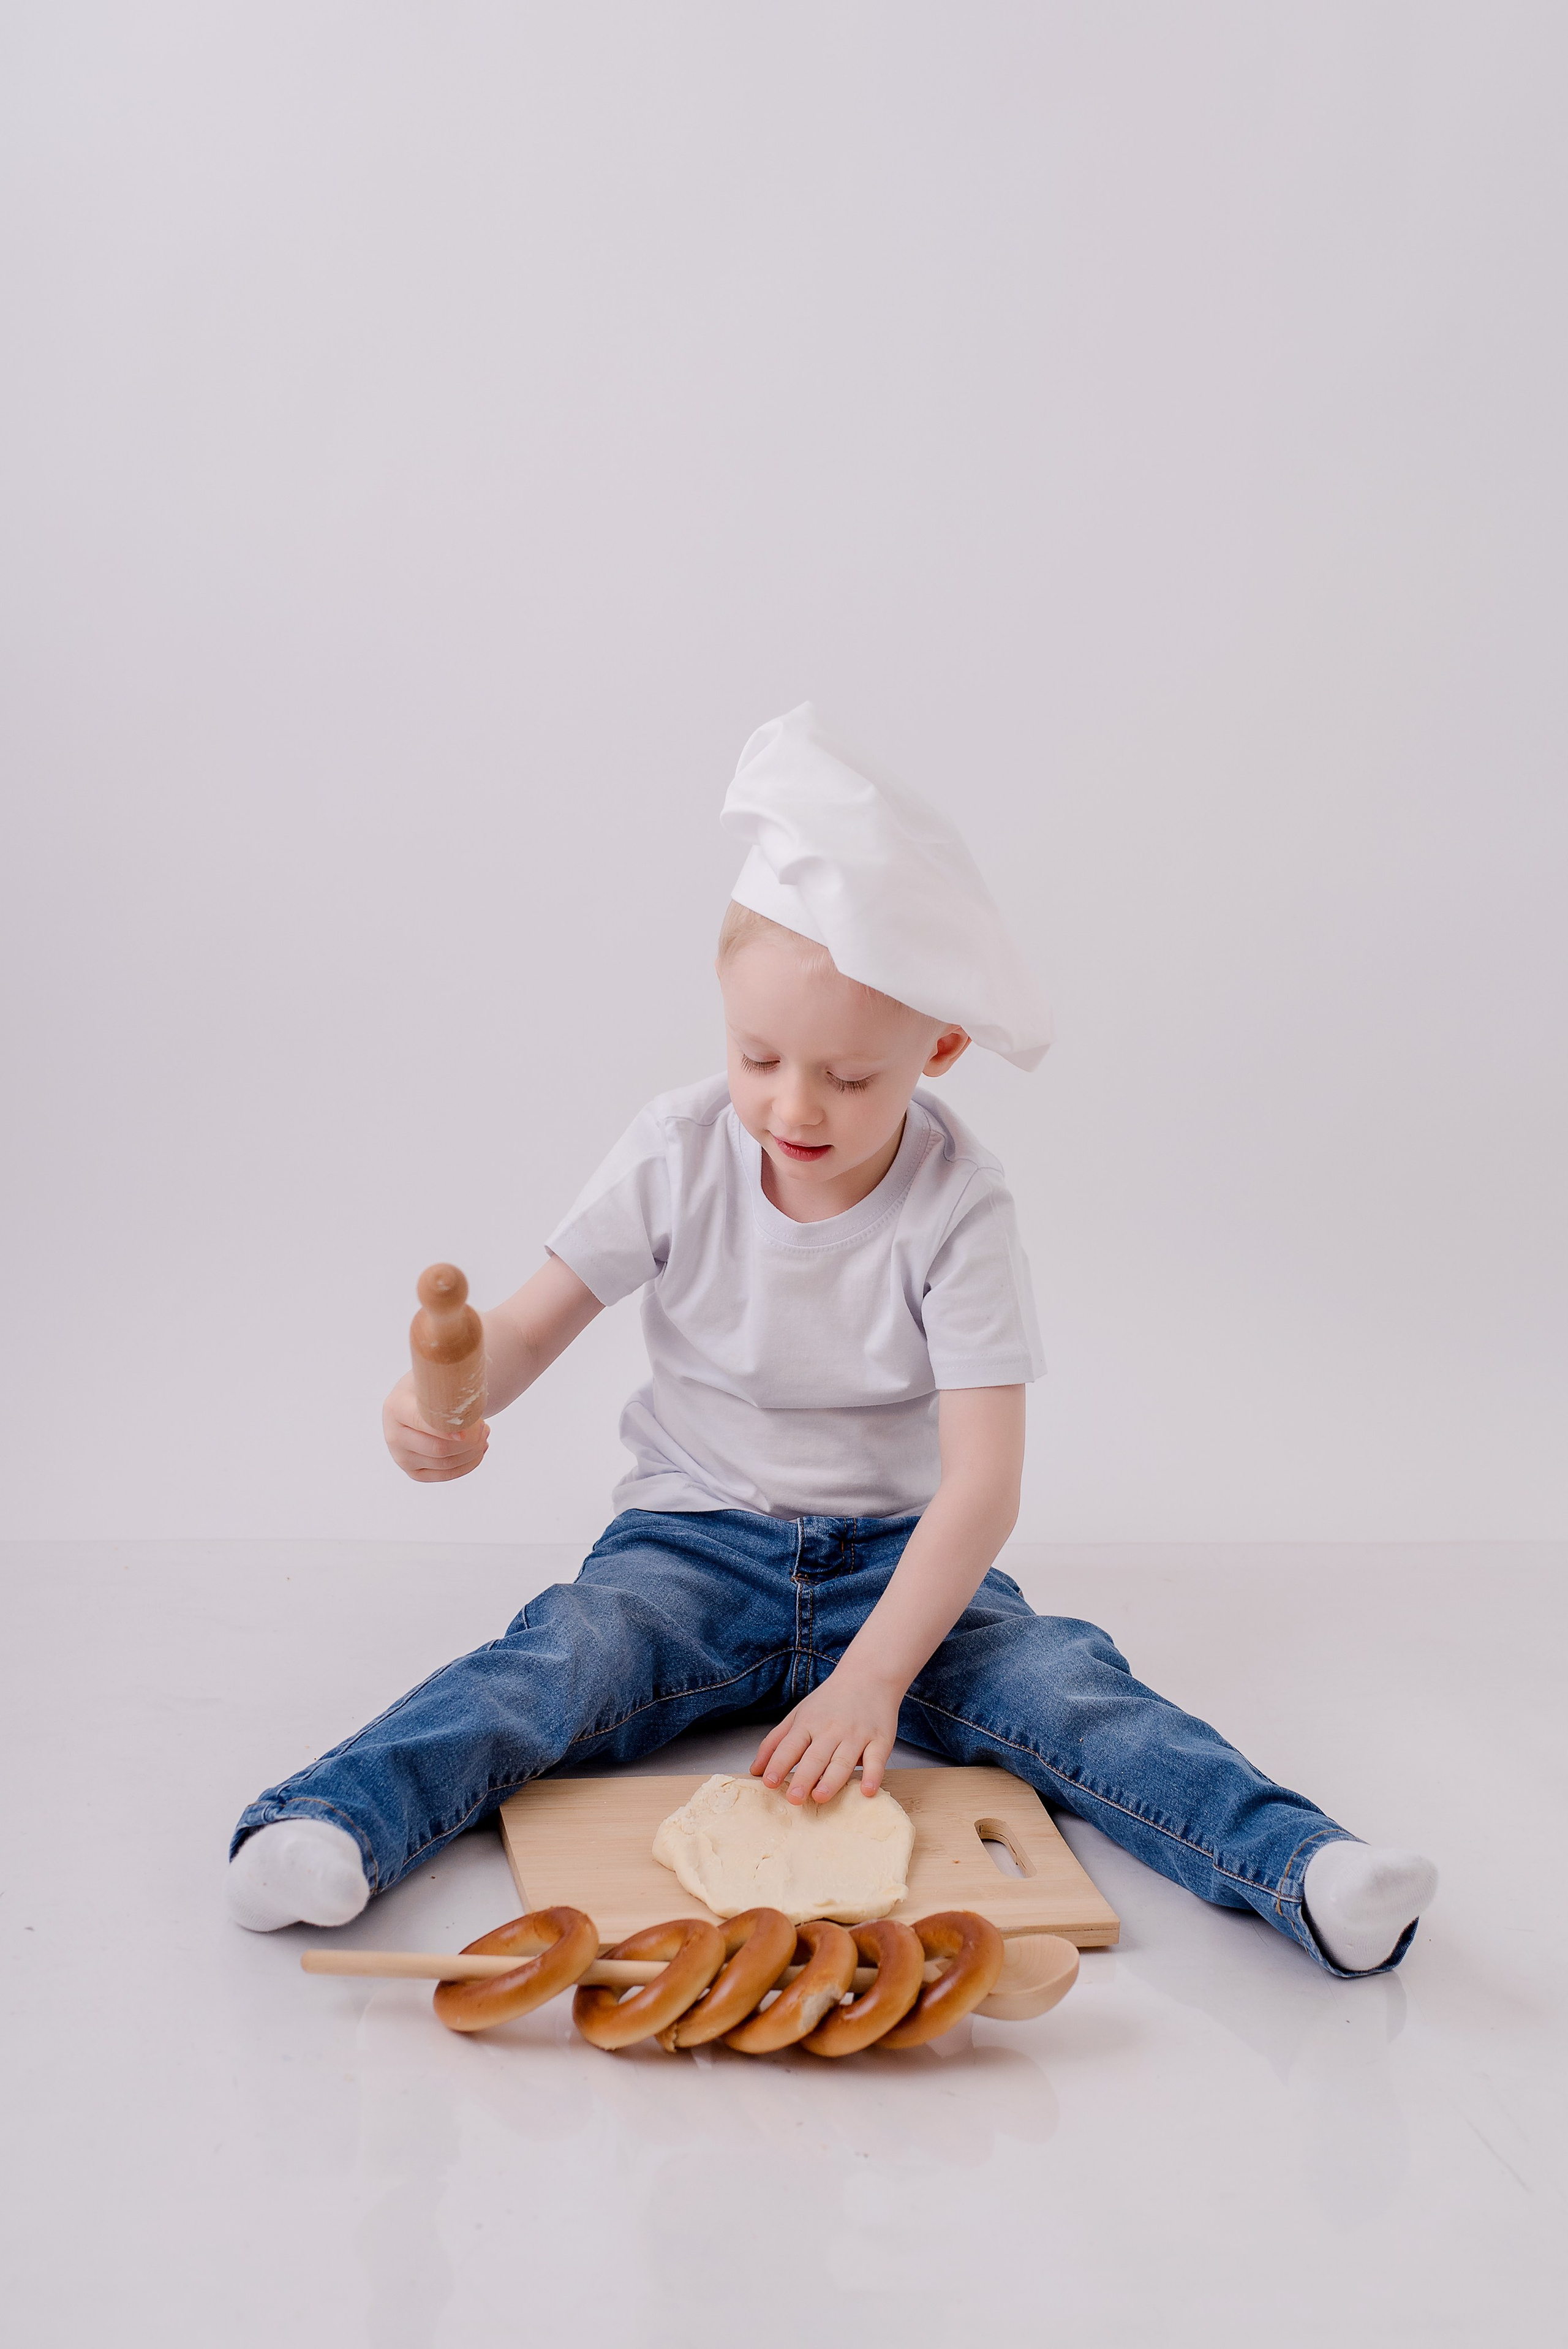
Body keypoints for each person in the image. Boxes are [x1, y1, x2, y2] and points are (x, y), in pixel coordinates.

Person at [228, 704, 1436, 1976]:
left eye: (850, 1078)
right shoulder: (674, 1149)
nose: (792, 1105)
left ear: (941, 1046)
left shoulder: (959, 1202)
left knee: (1070, 1687)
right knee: (561, 1657)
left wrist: (870, 1680)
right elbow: (523, 1331)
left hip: (902, 1566)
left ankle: (1305, 1869)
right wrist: (446, 1406)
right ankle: (330, 1821)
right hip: (689, 1544)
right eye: (757, 1056)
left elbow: (981, 1483)